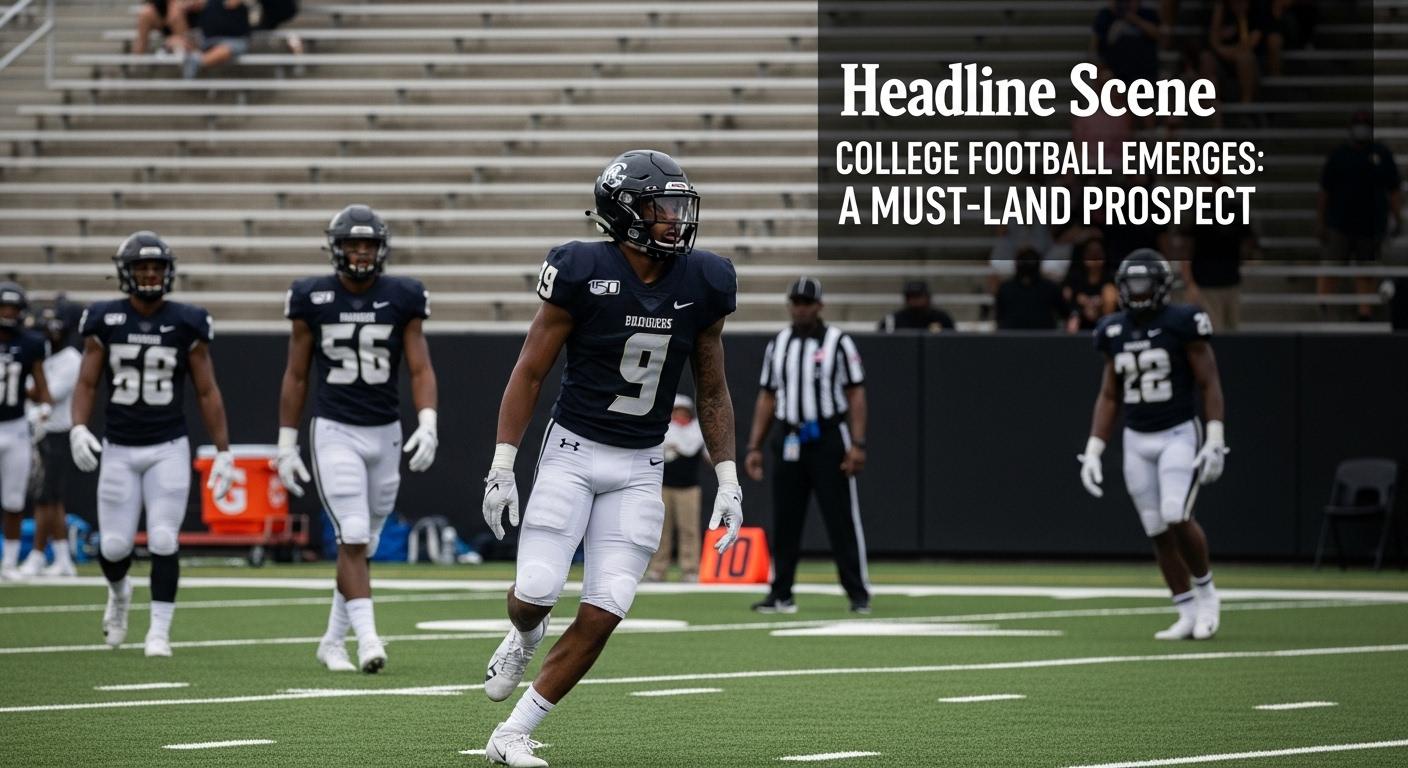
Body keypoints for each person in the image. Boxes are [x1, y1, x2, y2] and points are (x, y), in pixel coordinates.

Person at [478, 149, 742, 768]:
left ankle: (512, 733)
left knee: (606, 608)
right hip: (572, 451)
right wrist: (502, 464)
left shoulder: (704, 280)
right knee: (535, 592)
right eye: (660, 207)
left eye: (677, 206)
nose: (675, 218)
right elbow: (529, 370)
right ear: (624, 213)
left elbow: (712, 388)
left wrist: (727, 478)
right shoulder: (580, 268)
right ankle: (523, 634)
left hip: (641, 463)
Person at [274, 204, 438, 675]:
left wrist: (427, 421)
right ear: (337, 249)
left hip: (386, 431)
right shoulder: (311, 296)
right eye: (352, 244)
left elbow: (420, 367)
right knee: (353, 531)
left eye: (368, 244)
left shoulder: (403, 296)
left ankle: (331, 641)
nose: (361, 252)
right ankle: (368, 639)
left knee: (363, 544)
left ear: (381, 249)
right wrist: (286, 442)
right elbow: (296, 374)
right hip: (336, 429)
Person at [69, 232, 236, 656]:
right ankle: (119, 594)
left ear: (168, 273)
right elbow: (87, 381)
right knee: (113, 546)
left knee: (163, 539)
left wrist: (223, 450)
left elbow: (207, 390)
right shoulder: (105, 318)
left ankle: (159, 631)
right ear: (126, 273)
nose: (149, 275)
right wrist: (78, 427)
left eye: (156, 268)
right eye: (141, 268)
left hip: (167, 446)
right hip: (119, 447)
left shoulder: (186, 321)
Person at [1077, 249, 1228, 641]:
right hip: (1136, 437)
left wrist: (1215, 436)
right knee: (1155, 527)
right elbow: (1110, 394)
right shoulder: (1113, 329)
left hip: (1178, 431)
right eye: (1131, 284)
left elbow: (1209, 381)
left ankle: (1207, 595)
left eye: (1144, 284)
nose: (1137, 292)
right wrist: (1094, 448)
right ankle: (1185, 609)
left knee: (1176, 513)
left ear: (1161, 285)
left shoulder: (1182, 322)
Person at [744, 276, 870, 615]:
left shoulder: (838, 342)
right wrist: (754, 446)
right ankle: (781, 593)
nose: (800, 309)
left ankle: (858, 593)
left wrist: (857, 443)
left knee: (840, 518)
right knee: (785, 519)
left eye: (807, 303)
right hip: (788, 437)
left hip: (828, 437)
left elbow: (855, 393)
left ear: (819, 306)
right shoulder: (779, 343)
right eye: (796, 303)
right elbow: (767, 396)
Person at [1317, 111, 1403, 321]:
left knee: (1366, 269)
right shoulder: (1339, 155)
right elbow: (1324, 191)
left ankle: (1364, 311)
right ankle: (1323, 305)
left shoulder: (1382, 154)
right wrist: (1321, 221)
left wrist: (1398, 217)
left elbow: (1394, 189)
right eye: (1358, 124)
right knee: (1332, 265)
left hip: (1370, 225)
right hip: (1340, 223)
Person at [18, 303, 82, 578]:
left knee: (46, 498)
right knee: (49, 498)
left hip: (57, 431)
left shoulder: (71, 359)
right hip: (37, 430)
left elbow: (48, 396)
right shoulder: (41, 355)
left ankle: (37, 554)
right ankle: (63, 557)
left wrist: (19, 383)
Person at [0, 283, 51, 581]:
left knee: (14, 499)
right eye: (3, 307)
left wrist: (42, 409)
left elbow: (43, 391)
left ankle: (8, 562)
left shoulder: (31, 343)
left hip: (15, 427)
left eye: (13, 308)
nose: (8, 313)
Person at [644, 394, 706, 582]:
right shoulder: (664, 430)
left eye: (683, 411)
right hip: (664, 487)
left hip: (689, 488)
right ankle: (657, 569)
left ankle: (690, 570)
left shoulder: (698, 431)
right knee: (661, 530)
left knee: (689, 530)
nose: (680, 415)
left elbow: (709, 456)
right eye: (677, 410)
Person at [995, 248, 1068, 330]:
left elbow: (1064, 313)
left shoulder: (1005, 287)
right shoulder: (1050, 287)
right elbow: (1065, 313)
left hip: (1042, 335)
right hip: (1014, 335)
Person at [1091, 0, 1161, 85]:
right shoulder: (1106, 15)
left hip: (1143, 72)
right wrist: (1102, 69)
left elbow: (1158, 36)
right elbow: (1095, 48)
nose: (1125, 4)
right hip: (1114, 71)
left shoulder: (1147, 14)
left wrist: (1135, 20)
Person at [179, 0, 252, 79]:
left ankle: (197, 60)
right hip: (208, 39)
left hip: (235, 40)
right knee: (179, 41)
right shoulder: (208, 4)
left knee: (225, 49)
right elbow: (190, 5)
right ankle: (194, 62)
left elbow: (232, 3)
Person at [1063, 238, 1119, 332]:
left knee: (1109, 292)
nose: (1094, 256)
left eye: (1097, 252)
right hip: (1081, 320)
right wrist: (1080, 308)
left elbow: (1114, 302)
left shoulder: (1111, 278)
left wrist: (1099, 304)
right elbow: (1069, 300)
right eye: (1090, 252)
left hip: (1104, 320)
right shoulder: (1075, 278)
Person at [877, 280, 955, 333]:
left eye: (919, 296)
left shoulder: (942, 318)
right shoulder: (891, 320)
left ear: (928, 297)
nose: (915, 300)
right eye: (911, 296)